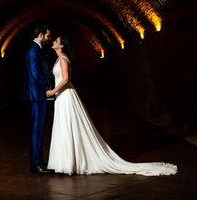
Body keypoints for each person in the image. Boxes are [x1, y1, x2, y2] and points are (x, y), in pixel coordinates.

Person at [46, 36, 178, 176]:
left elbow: (66, 79)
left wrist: (53, 91)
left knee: (68, 125)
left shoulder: (63, 59)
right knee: (64, 126)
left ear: (61, 46)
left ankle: (70, 162)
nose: (54, 41)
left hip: (66, 96)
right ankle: (66, 161)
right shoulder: (58, 59)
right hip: (61, 96)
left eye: (57, 41)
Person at [22, 24, 55, 174]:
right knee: (36, 130)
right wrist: (47, 86)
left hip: (37, 96)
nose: (49, 39)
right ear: (40, 35)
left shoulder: (37, 50)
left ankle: (40, 161)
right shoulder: (34, 50)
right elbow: (36, 73)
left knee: (39, 130)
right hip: (36, 96)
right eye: (48, 36)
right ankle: (36, 164)